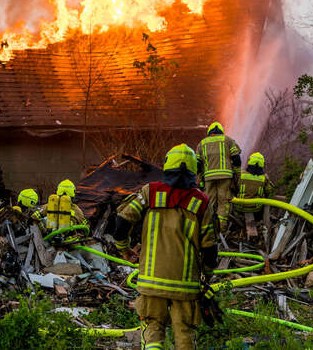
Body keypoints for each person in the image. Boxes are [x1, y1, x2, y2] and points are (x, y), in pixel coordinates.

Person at [114, 144, 218, 350]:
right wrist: (206, 275)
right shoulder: (202, 202)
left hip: (151, 282)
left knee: (152, 329)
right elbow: (209, 248)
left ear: (167, 166)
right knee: (184, 335)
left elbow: (122, 221)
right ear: (194, 170)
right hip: (186, 286)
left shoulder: (150, 192)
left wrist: (123, 249)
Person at [196, 121, 241, 232]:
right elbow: (236, 160)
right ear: (221, 132)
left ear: (209, 133)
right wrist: (237, 177)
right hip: (225, 177)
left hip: (208, 178)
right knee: (223, 203)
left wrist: (200, 180)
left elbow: (197, 165)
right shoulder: (228, 140)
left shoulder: (202, 143)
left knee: (209, 203)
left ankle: (209, 230)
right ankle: (221, 230)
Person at [235, 152, 269, 238]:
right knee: (265, 202)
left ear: (250, 162)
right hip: (256, 208)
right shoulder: (263, 178)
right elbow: (269, 191)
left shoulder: (241, 175)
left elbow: (234, 188)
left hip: (239, 206)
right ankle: (262, 223)